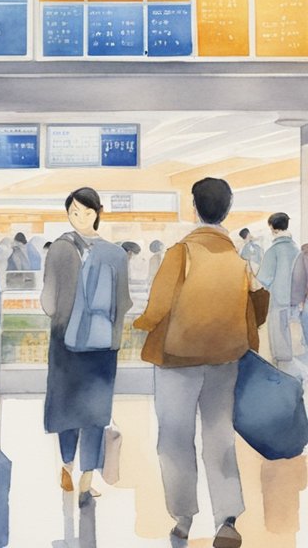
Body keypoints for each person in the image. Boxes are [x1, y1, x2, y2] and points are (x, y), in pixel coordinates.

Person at [134, 177, 267, 547]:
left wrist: (141, 323)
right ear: (228, 209)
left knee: (175, 438)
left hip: (177, 360)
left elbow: (158, 307)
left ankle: (182, 517)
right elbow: (257, 310)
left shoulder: (180, 252)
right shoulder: (238, 261)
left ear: (194, 207)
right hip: (225, 360)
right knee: (219, 436)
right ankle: (226, 519)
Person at [41, 187, 132, 504]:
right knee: (95, 412)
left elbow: (48, 303)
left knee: (66, 407)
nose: (79, 217)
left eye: (84, 212)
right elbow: (123, 303)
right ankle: (87, 479)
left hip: (65, 341)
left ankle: (66, 465)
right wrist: (113, 339)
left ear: (97, 212)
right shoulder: (116, 254)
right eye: (75, 212)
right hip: (103, 346)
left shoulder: (59, 249)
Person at [256, 212, 297, 367]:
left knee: (278, 337)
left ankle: (280, 364)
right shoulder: (296, 249)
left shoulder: (273, 251)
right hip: (294, 299)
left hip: (278, 300)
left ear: (273, 229)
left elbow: (263, 278)